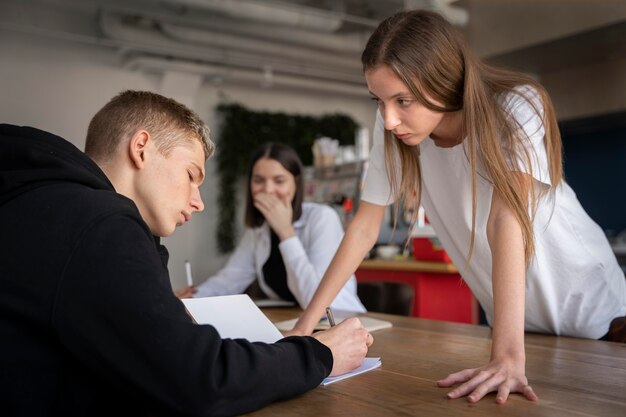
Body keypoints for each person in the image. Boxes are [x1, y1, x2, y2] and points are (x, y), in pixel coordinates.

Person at [288, 9, 626, 405]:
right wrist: (303, 329)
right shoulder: (394, 129)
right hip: (524, 327)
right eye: (378, 100)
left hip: (596, 316)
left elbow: (505, 219)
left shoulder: (518, 106)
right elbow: (364, 228)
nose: (390, 117)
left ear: (445, 81)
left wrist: (505, 357)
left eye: (404, 100)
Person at [0, 91, 373, 417]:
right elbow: (200, 379)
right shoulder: (98, 221)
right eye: (191, 174)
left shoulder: (45, 202)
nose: (197, 202)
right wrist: (317, 355)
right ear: (141, 147)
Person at [176, 143, 366, 313]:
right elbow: (229, 280)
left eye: (279, 180)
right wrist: (192, 300)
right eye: (259, 180)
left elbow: (314, 299)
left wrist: (286, 233)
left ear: (296, 183)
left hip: (339, 319)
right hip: (292, 322)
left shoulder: (322, 218)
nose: (267, 189)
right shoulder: (259, 229)